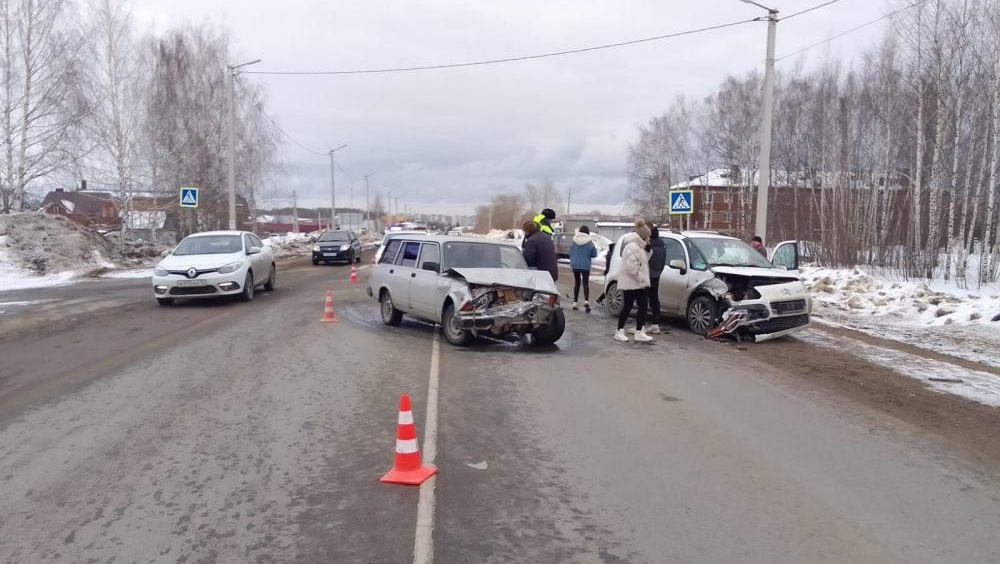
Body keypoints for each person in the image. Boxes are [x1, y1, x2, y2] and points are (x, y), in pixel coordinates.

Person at [614, 220, 654, 343]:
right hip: (631, 283)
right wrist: (642, 278)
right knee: (628, 307)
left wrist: (648, 250)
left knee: (643, 306)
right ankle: (619, 331)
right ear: (643, 236)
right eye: (648, 236)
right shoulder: (631, 246)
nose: (649, 239)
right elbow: (631, 266)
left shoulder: (639, 247)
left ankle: (639, 331)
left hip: (638, 283)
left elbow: (643, 261)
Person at [568, 225, 598, 312]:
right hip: (585, 265)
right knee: (585, 283)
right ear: (587, 232)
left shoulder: (574, 240)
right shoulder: (590, 242)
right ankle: (586, 301)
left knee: (577, 283)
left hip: (575, 264)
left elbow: (570, 252)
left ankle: (575, 302)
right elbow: (594, 254)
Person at [645, 226, 666, 335]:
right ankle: (655, 323)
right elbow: (663, 262)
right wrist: (658, 272)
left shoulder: (649, 244)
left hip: (647, 275)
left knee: (644, 299)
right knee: (654, 298)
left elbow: (645, 259)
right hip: (656, 275)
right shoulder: (662, 244)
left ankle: (641, 325)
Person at [593, 239, 615, 307]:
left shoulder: (609, 254)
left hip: (608, 272)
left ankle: (600, 300)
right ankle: (599, 300)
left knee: (608, 288)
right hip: (609, 272)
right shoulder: (611, 255)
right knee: (608, 288)